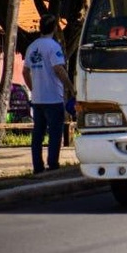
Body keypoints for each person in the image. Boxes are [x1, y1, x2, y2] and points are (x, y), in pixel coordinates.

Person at [22, 15, 75, 174]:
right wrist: (70, 87)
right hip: (53, 97)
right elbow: (59, 69)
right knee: (54, 133)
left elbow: (25, 71)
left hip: (38, 98)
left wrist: (33, 89)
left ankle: (37, 166)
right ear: (54, 28)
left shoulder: (32, 47)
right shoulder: (53, 47)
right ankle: (53, 163)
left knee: (37, 134)